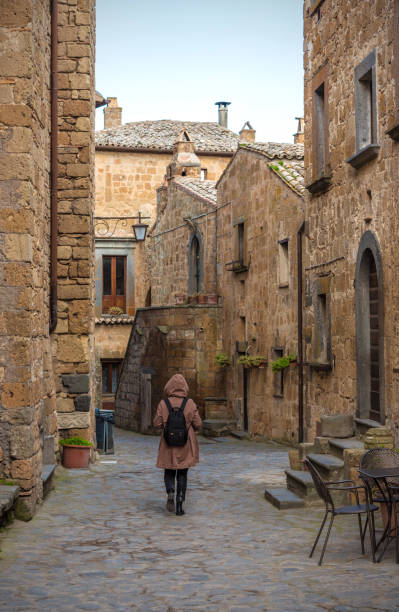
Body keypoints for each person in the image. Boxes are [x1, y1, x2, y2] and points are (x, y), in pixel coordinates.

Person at [153, 374, 202, 516]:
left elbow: (156, 423)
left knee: (169, 470)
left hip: (168, 443)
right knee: (182, 473)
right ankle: (180, 505)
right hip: (186, 443)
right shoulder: (190, 403)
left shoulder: (163, 403)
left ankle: (170, 491)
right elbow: (198, 423)